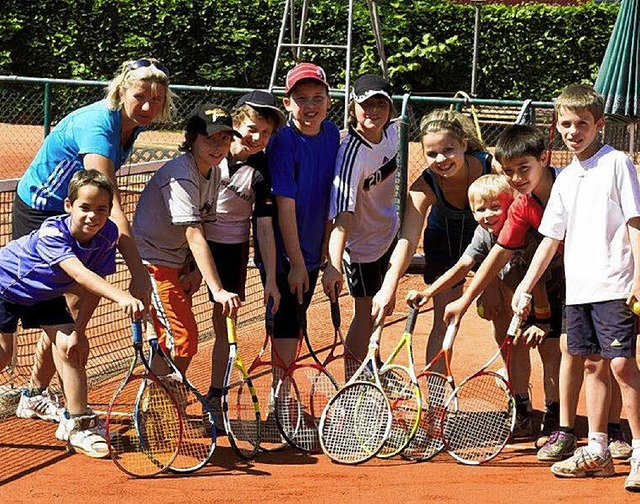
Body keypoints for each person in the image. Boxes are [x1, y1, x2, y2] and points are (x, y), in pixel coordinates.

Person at [443, 123, 629, 459]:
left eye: (523, 169)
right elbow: (500, 250)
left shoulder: (573, 182)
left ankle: (615, 429)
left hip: (606, 278)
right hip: (568, 283)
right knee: (575, 355)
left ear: (544, 158)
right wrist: (465, 299)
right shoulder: (523, 203)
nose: (516, 178)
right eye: (509, 171)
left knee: (607, 358)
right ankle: (567, 429)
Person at [13, 58, 172, 422]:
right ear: (121, 91)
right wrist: (137, 272)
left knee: (80, 305)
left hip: (82, 213)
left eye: (157, 100)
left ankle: (34, 393)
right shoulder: (99, 126)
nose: (148, 106)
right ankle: (59, 406)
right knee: (60, 312)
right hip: (43, 210)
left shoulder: (132, 126)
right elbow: (111, 205)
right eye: (140, 97)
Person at [511, 84, 640, 491]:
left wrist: (639, 277)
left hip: (616, 282)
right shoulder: (565, 178)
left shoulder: (618, 163)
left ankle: (638, 451)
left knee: (621, 365)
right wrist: (526, 286)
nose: (573, 131)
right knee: (590, 364)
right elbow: (551, 239)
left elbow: (635, 222)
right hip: (580, 289)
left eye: (582, 123)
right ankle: (598, 450)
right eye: (565, 124)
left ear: (598, 125)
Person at [0, 170, 144, 458]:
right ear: (69, 206)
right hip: (6, 286)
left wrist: (78, 328)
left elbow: (91, 288)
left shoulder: (108, 234)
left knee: (73, 347)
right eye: (85, 208)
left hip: (45, 293)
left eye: (102, 209)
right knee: (2, 355)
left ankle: (76, 425)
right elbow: (82, 275)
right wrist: (121, 296)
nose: (93, 216)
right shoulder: (53, 232)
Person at [406, 173, 554, 437]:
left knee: (551, 352)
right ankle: (521, 409)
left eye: (496, 206)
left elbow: (541, 281)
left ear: (513, 204)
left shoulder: (525, 230)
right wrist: (429, 292)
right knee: (514, 348)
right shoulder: (483, 234)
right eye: (480, 209)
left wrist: (542, 318)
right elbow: (464, 265)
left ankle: (556, 415)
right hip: (520, 298)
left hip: (549, 295)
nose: (488, 215)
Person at [371, 109, 494, 370]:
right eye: (432, 153)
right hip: (444, 240)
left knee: (500, 311)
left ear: (463, 144)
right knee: (444, 319)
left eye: (448, 149)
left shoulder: (489, 167)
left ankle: (516, 393)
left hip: (490, 239)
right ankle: (436, 404)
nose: (441, 159)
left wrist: (491, 286)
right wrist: (387, 288)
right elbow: (406, 240)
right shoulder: (423, 186)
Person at [133, 104, 241, 377]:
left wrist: (193, 268)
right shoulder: (181, 174)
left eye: (224, 139)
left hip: (177, 261)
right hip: (155, 263)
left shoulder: (215, 170)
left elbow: (203, 221)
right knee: (183, 339)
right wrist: (216, 290)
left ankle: (158, 404)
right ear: (191, 139)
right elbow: (193, 232)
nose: (217, 147)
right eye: (209, 139)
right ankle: (164, 398)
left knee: (172, 338)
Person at [202, 90, 285, 430]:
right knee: (178, 327)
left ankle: (215, 398)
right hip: (191, 245)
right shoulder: (209, 153)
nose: (257, 138)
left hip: (232, 250)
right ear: (235, 124)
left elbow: (263, 228)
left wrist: (271, 281)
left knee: (225, 329)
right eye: (251, 128)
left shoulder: (261, 170)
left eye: (265, 133)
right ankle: (161, 396)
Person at [254, 62, 340, 372]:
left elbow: (334, 197)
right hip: (284, 257)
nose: (311, 105)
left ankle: (283, 394)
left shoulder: (331, 134)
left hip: (313, 251)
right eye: (301, 99)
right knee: (287, 324)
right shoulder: (283, 142)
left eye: (318, 97)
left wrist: (326, 255)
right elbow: (284, 207)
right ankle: (282, 399)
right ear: (287, 103)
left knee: (296, 320)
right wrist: (297, 264)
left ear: (329, 100)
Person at [321, 74, 399, 364]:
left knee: (380, 309)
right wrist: (333, 264)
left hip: (387, 235)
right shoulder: (351, 154)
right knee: (364, 313)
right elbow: (342, 216)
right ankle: (354, 384)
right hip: (362, 249)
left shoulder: (393, 133)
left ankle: (373, 365)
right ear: (353, 106)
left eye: (381, 103)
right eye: (366, 104)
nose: (374, 111)